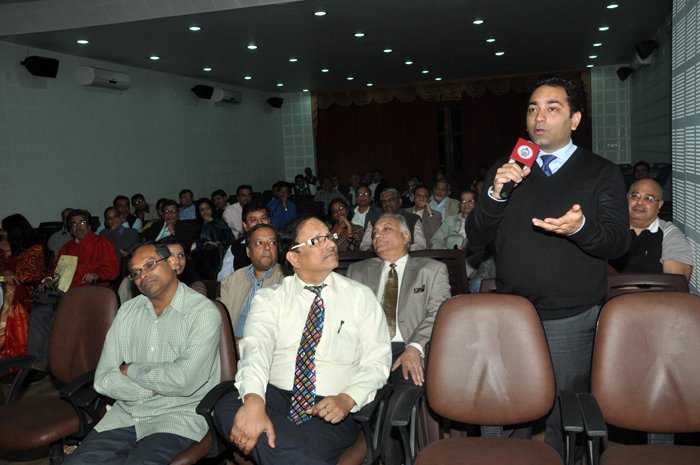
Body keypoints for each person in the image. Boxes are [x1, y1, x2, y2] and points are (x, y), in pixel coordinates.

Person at [466, 76, 630, 460]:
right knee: (511, 406)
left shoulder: (600, 171)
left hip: (570, 316)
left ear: (575, 119)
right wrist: (495, 194)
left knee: (565, 414)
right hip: (513, 313)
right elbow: (476, 235)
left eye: (552, 108)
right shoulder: (507, 167)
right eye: (532, 108)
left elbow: (618, 242)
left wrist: (581, 228)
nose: (539, 117)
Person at [212, 216, 391, 465]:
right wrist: (254, 401)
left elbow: (377, 361)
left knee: (295, 444)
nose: (331, 244)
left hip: (329, 406)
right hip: (274, 396)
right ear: (294, 258)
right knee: (226, 405)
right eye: (317, 240)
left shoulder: (360, 296)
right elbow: (256, 351)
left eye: (330, 237)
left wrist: (348, 398)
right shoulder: (270, 299)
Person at [63, 242, 221, 465]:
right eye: (136, 272)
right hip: (126, 415)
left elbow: (183, 380)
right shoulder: (128, 311)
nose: (143, 275)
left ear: (172, 262)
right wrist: (151, 390)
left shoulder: (202, 312)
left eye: (150, 265)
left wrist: (132, 370)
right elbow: (103, 380)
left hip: (177, 417)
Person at [346, 213, 450, 465]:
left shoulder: (431, 270)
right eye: (374, 232)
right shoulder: (357, 271)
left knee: (398, 404)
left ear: (406, 237)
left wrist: (415, 347)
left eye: (386, 229)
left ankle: (389, 459)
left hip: (408, 349)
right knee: (359, 400)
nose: (377, 235)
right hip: (368, 351)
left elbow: (439, 312)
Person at [28, 209, 119, 375]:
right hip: (62, 294)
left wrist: (97, 275)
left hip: (88, 294)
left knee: (58, 316)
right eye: (74, 224)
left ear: (89, 225)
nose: (78, 227)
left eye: (82, 222)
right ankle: (33, 362)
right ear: (70, 228)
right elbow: (54, 270)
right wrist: (47, 279)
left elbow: (113, 271)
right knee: (37, 314)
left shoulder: (101, 243)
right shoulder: (67, 247)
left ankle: (49, 362)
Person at [609, 178, 693, 281]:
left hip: (654, 291)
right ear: (626, 198)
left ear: (659, 205)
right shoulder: (610, 228)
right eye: (635, 196)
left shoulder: (669, 233)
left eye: (648, 198)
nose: (639, 202)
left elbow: (675, 282)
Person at [219, 224, 285, 343]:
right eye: (259, 243)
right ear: (248, 251)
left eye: (272, 243)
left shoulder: (286, 280)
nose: (267, 247)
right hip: (230, 347)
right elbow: (220, 322)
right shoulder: (233, 280)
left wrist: (245, 345)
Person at [0, 214, 45, 359]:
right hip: (9, 287)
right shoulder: (11, 246)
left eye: (5, 230)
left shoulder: (35, 249)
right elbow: (4, 270)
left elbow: (24, 276)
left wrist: (7, 254)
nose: (2, 233)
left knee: (11, 291)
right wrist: (5, 267)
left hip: (29, 291)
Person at [217, 203, 271, 282]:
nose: (260, 223)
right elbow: (223, 279)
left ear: (269, 220)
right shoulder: (236, 247)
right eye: (253, 220)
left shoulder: (281, 244)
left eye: (264, 218)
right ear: (245, 225)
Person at [360, 188, 426, 251]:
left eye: (390, 200)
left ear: (400, 201)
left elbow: (421, 245)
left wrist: (399, 249)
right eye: (384, 201)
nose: (387, 203)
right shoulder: (374, 221)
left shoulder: (413, 219)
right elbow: (364, 245)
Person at [191, 198, 235, 280]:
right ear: (199, 212)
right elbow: (194, 241)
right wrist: (208, 242)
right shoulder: (196, 225)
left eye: (207, 208)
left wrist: (211, 224)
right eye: (202, 210)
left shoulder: (220, 222)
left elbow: (228, 238)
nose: (205, 212)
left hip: (220, 251)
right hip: (201, 252)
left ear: (212, 209)